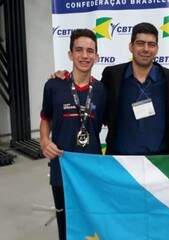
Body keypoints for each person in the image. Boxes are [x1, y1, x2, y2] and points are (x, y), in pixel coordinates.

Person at [54, 22, 169, 155]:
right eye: (140, 43)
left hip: (160, 162)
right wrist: (63, 76)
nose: (146, 49)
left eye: (151, 44)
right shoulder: (112, 75)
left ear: (157, 49)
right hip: (121, 161)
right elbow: (88, 90)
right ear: (131, 46)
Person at [40, 29, 107, 240]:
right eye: (79, 50)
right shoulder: (53, 85)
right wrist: (44, 141)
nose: (84, 56)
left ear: (97, 56)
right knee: (66, 224)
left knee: (91, 224)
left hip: (91, 168)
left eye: (90, 51)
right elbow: (46, 118)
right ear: (70, 54)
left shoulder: (102, 90)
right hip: (62, 166)